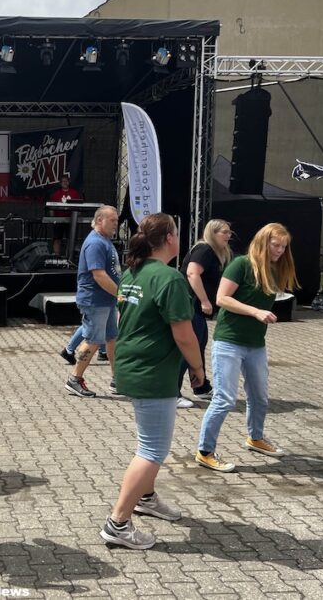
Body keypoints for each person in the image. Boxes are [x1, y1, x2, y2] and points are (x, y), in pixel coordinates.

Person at [99, 213, 204, 550]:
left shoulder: (135, 271)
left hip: (135, 365)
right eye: (177, 231)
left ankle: (145, 498)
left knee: (150, 444)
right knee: (152, 450)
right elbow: (184, 335)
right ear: (170, 238)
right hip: (152, 372)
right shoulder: (169, 278)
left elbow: (122, 316)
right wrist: (198, 371)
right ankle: (118, 523)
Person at [196, 223, 298, 473]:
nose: (280, 251)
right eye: (276, 245)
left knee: (260, 397)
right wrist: (256, 311)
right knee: (224, 399)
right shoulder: (241, 264)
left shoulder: (274, 269)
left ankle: (255, 438)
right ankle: (205, 451)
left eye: (284, 247)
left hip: (255, 344)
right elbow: (222, 299)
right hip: (229, 341)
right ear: (263, 242)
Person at [175, 219, 233, 409]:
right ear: (213, 233)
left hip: (196, 309)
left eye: (229, 232)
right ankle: (172, 392)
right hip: (191, 306)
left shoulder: (213, 252)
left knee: (198, 345)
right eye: (224, 232)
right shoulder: (204, 250)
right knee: (188, 348)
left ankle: (200, 386)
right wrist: (205, 300)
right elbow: (192, 274)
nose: (228, 235)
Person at [64, 206, 121, 398]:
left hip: (107, 300)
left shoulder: (104, 241)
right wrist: (120, 294)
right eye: (112, 220)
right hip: (95, 301)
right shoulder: (95, 243)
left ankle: (118, 379)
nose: (116, 224)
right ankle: (74, 379)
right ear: (99, 220)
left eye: (116, 220)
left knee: (112, 338)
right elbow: (98, 275)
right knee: (93, 340)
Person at [47, 176, 82, 256]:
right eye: (63, 181)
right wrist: (53, 219)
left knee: (71, 239)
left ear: (69, 182)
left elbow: (79, 206)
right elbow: (51, 207)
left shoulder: (74, 193)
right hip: (59, 220)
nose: (65, 183)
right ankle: (57, 256)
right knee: (57, 239)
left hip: (71, 220)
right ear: (60, 183)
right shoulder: (56, 194)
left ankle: (69, 257)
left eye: (66, 181)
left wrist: (78, 218)